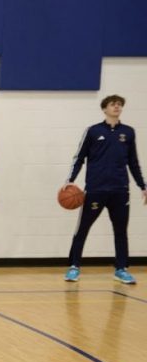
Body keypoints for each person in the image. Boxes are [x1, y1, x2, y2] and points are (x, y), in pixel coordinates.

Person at [64, 94, 145, 285]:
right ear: (104, 108)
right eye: (113, 104)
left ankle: (121, 268)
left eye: (119, 105)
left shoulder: (129, 132)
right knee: (82, 229)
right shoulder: (92, 131)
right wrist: (70, 180)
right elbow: (79, 157)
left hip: (120, 190)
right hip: (95, 189)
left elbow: (133, 162)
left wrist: (142, 185)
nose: (117, 107)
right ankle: (74, 266)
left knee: (120, 230)